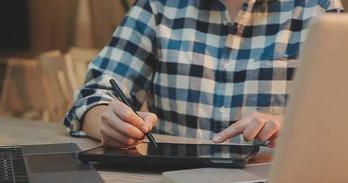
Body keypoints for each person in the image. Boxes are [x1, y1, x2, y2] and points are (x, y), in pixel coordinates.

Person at [64, 0, 343, 148]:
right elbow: (93, 95)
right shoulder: (158, 6)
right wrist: (108, 121)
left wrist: (289, 124)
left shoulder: (317, 7)